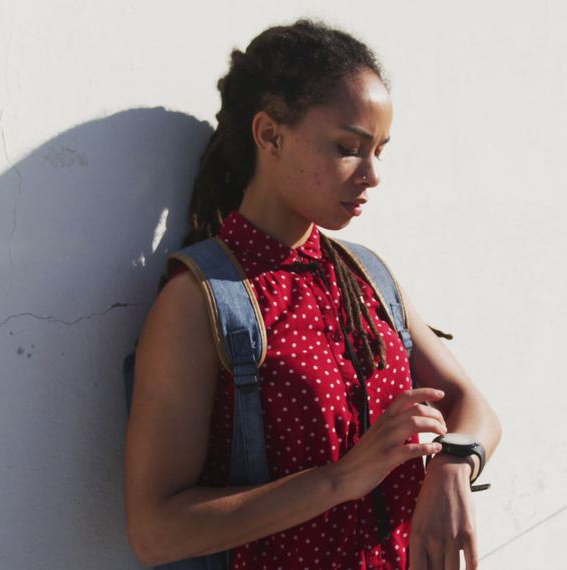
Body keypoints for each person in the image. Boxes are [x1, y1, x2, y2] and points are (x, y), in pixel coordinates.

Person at [124, 18, 502, 569]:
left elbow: (474, 407)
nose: (372, 174)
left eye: (380, 151)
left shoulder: (365, 275)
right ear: (270, 135)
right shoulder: (201, 300)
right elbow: (155, 533)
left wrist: (453, 464)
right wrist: (342, 479)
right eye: (349, 147)